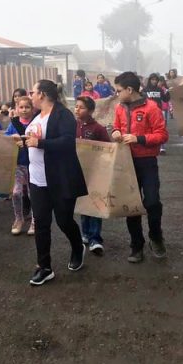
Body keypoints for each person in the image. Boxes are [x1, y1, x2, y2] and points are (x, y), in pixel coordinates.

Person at [16, 80, 87, 286]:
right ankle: (44, 267)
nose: (30, 95)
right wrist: (24, 141)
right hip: (38, 180)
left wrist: (39, 143)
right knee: (41, 225)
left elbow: (67, 142)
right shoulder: (38, 116)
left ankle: (77, 247)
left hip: (60, 179)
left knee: (64, 221)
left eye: (33, 91)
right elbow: (32, 141)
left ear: (43, 95)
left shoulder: (63, 115)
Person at [112, 71, 169, 264]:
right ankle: (136, 245)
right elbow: (115, 126)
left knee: (152, 202)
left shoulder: (151, 108)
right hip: (127, 162)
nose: (117, 93)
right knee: (132, 205)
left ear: (130, 89)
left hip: (147, 162)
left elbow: (162, 135)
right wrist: (116, 132)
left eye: (119, 90)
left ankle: (156, 236)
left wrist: (139, 139)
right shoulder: (120, 108)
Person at [73, 96, 111, 255]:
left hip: (96, 173)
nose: (77, 109)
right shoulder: (73, 126)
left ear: (90, 110)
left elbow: (107, 150)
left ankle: (96, 238)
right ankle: (86, 234)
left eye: (81, 107)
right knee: (83, 203)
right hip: (78, 172)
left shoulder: (98, 129)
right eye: (76, 106)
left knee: (96, 204)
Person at [6, 95, 35, 235]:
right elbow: (5, 139)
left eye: (27, 107)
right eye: (21, 107)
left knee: (32, 194)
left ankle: (35, 221)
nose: (24, 110)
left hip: (33, 164)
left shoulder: (36, 122)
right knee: (16, 193)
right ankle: (19, 218)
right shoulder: (13, 124)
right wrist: (13, 139)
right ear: (17, 108)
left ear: (32, 108)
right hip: (17, 164)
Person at [144, 73, 170, 154]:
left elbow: (165, 99)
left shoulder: (160, 90)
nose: (154, 81)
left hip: (158, 112)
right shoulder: (145, 90)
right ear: (149, 80)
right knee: (148, 129)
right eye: (152, 80)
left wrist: (169, 92)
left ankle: (162, 147)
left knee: (160, 129)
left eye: (156, 80)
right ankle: (150, 145)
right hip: (148, 113)